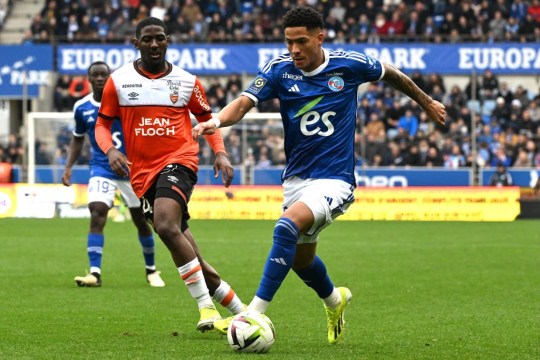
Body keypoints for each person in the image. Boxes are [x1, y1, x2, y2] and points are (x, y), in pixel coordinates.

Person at [192, 6, 446, 344]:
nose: (294, 50)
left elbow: (391, 73)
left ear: (319, 38)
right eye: (288, 42)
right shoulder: (279, 70)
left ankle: (253, 313)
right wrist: (217, 121)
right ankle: (334, 300)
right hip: (296, 180)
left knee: (285, 227)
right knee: (300, 260)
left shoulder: (349, 64)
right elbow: (243, 102)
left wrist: (426, 102)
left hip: (335, 179)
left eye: (301, 42)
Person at [94, 17, 245, 332]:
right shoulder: (118, 81)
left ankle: (206, 308)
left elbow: (207, 119)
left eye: (159, 38)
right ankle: (245, 314)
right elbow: (102, 125)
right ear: (136, 43)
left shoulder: (186, 81)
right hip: (142, 176)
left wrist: (220, 152)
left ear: (167, 41)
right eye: (147, 39)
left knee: (164, 223)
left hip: (180, 160)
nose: (153, 44)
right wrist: (110, 151)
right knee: (195, 258)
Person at [62, 61, 165, 288]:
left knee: (141, 220)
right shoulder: (82, 108)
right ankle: (95, 274)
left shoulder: (125, 101)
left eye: (103, 75)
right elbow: (78, 139)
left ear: (110, 78)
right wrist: (68, 167)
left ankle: (151, 270)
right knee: (97, 212)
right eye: (95, 75)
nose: (99, 78)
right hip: (101, 169)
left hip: (133, 170)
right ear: (88, 79)